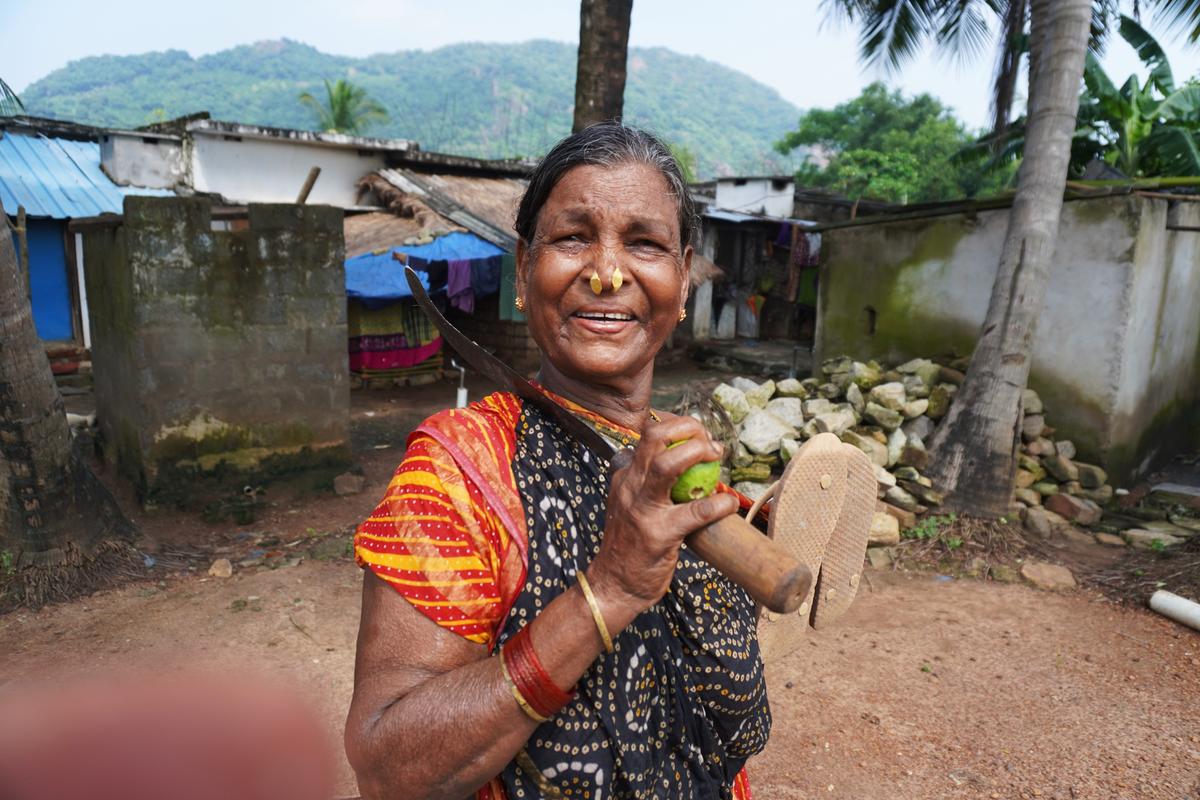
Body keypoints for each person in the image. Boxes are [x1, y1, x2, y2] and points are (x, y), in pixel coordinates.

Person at [346, 123, 767, 799]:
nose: (606, 272)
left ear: (683, 280)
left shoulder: (677, 460)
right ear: (524, 269)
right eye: (573, 237)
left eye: (645, 243)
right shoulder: (460, 475)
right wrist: (612, 590)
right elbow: (388, 765)